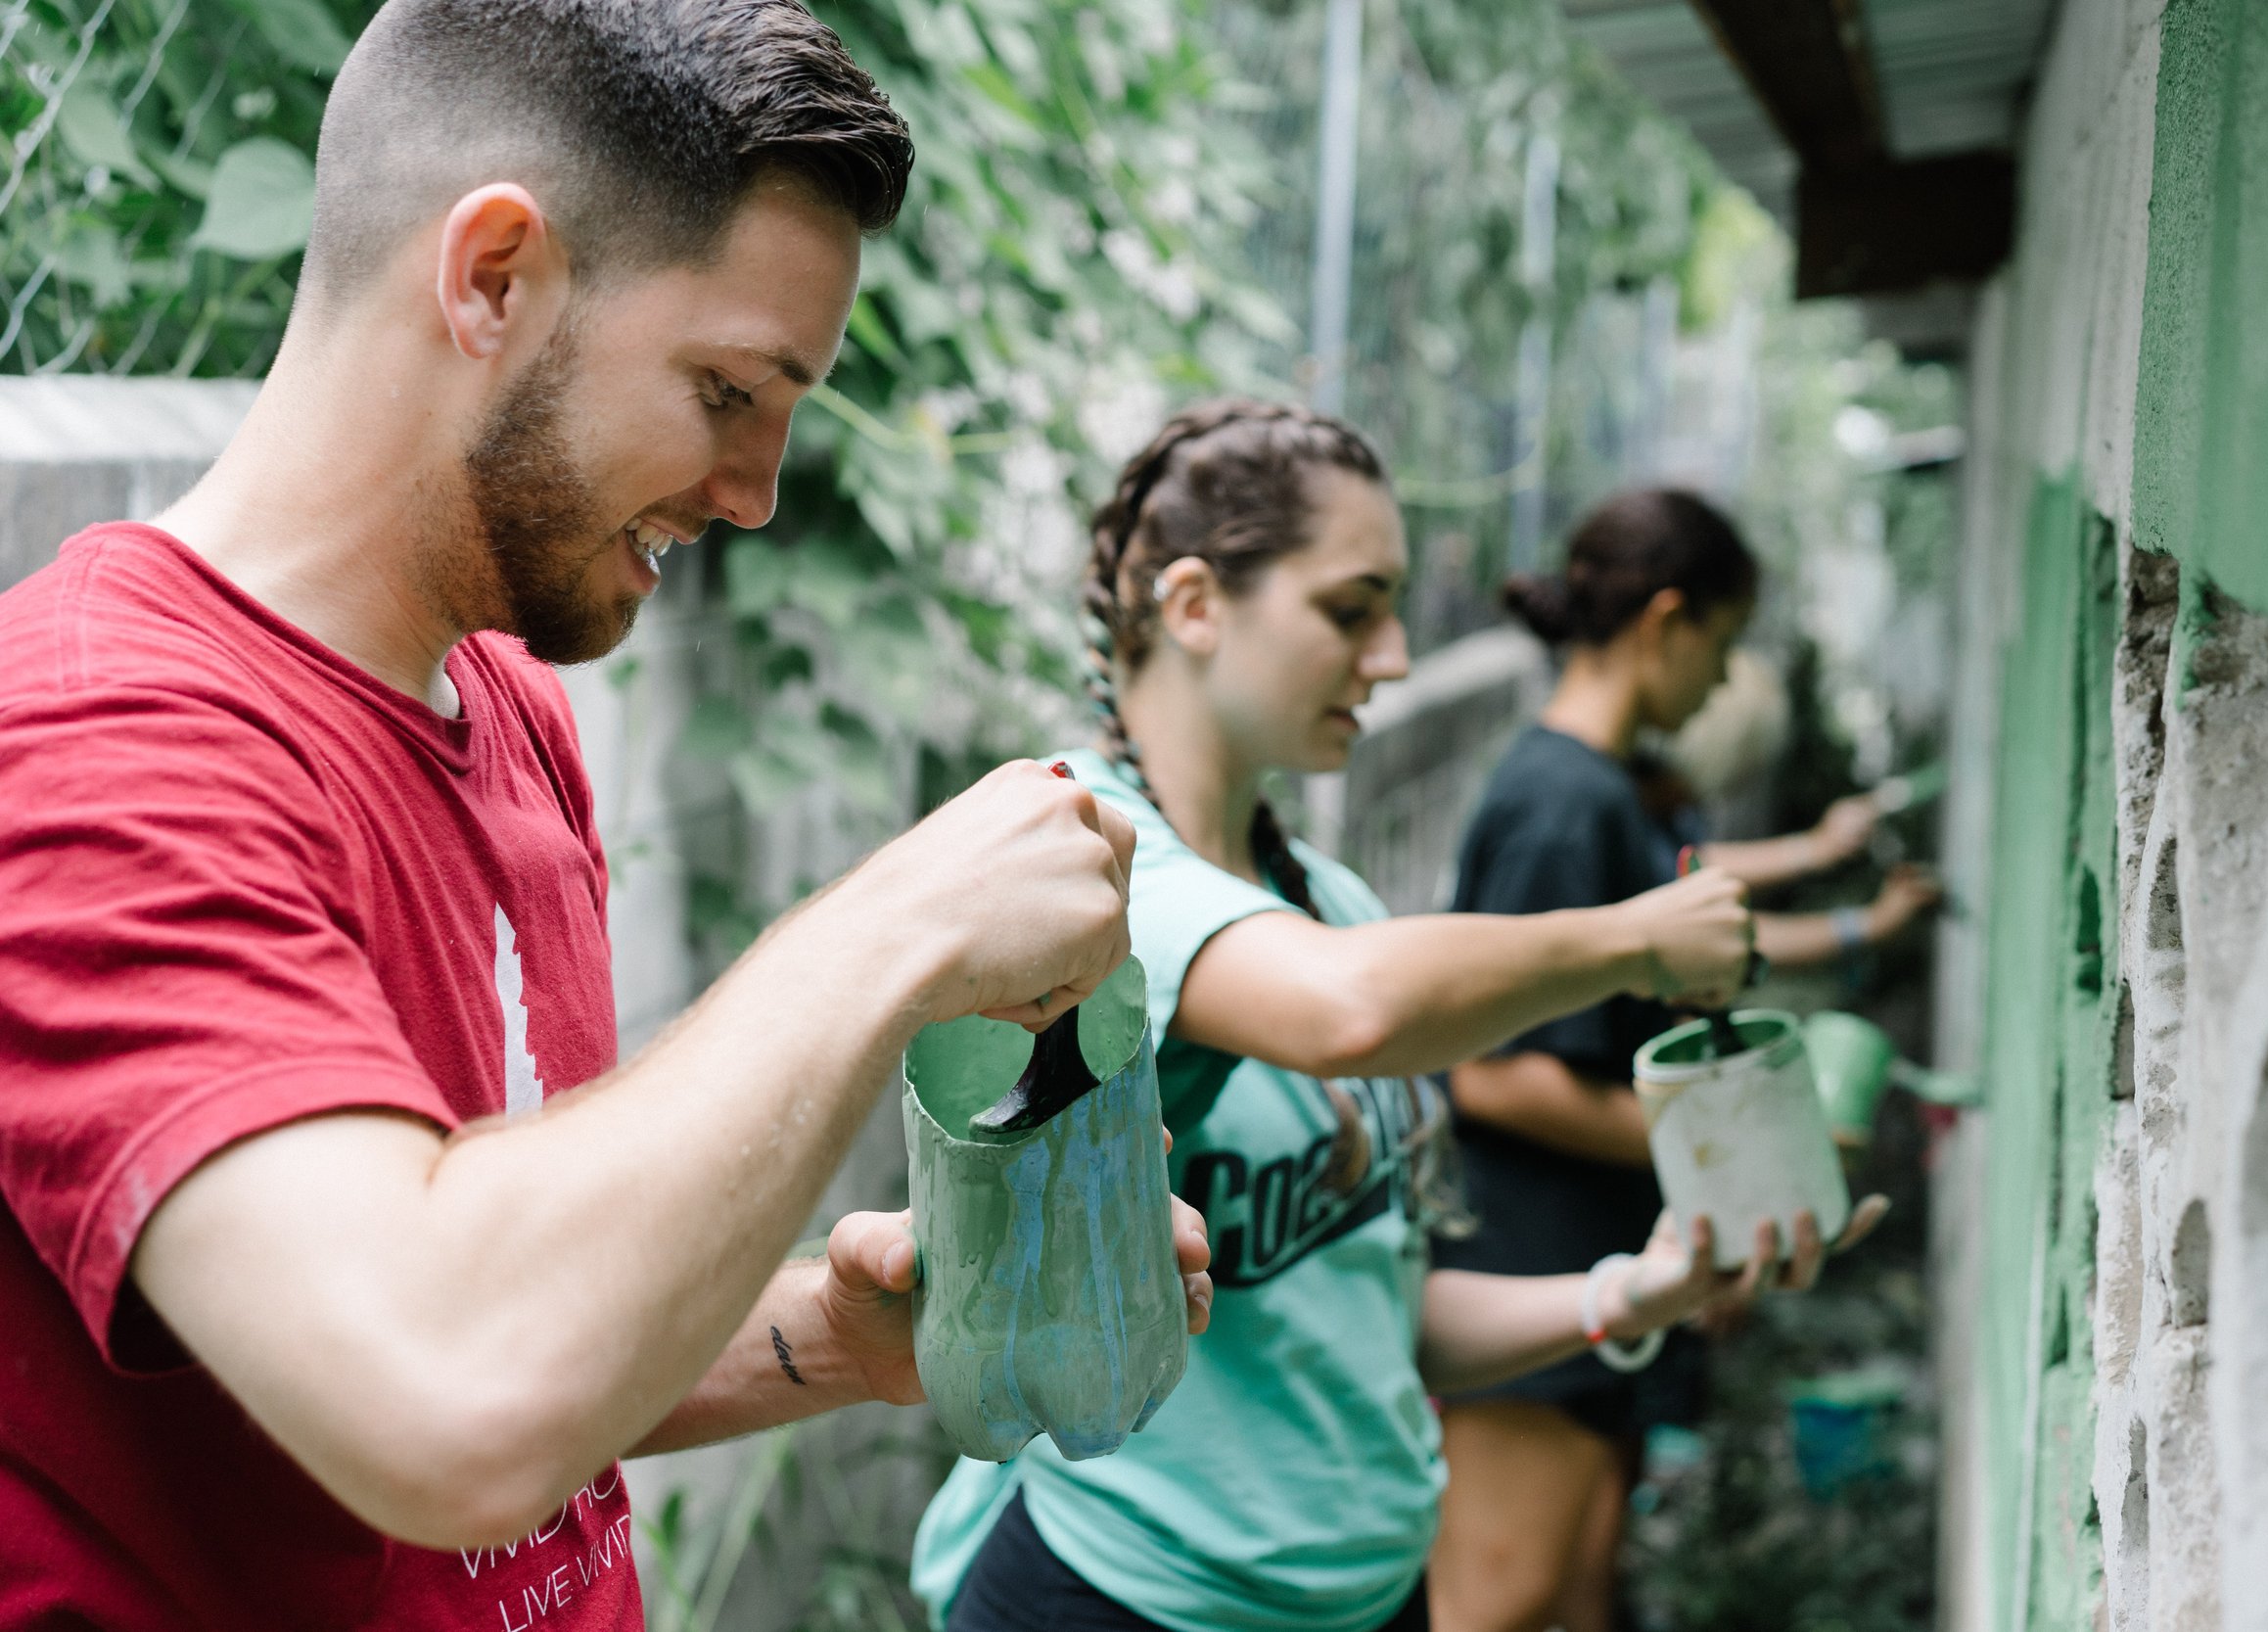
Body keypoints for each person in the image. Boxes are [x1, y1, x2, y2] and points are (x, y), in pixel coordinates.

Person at [0, 5, 1213, 1627]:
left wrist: (839, 1345)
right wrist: (902, 923)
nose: (758, 492)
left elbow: (533, 1317)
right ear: (493, 276)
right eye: (730, 389)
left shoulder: (511, 713)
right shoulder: (97, 745)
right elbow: (443, 1385)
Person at [907, 402, 1884, 1632]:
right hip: (1128, 1594)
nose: (1395, 656)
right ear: (1196, 605)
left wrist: (1633, 1290)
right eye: (1351, 607)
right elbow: (1348, 1010)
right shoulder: (1080, 861)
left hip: (1365, 1596)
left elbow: (1376, 1312)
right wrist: (1639, 934)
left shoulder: (1333, 901)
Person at [1428, 488, 1940, 1632]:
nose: (1720, 680)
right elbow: (1495, 1072)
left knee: (1580, 1584)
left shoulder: (1605, 792)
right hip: (1527, 1262)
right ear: (1666, 620)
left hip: (1597, 1258)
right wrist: (1739, 1167)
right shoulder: (1560, 806)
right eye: (1719, 642)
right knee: (1494, 1601)